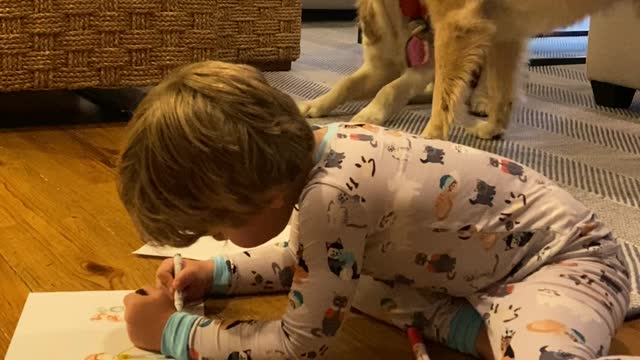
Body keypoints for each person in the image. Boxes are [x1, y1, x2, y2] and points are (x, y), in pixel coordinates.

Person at [118, 60, 632, 360]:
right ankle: (481, 329)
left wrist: (173, 332)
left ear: (269, 196)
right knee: (349, 282)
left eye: (219, 228)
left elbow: (299, 345)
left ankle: (527, 324)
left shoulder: (332, 200)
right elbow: (313, 255)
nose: (222, 237)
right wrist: (220, 273)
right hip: (478, 265)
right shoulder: (314, 153)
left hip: (566, 263)